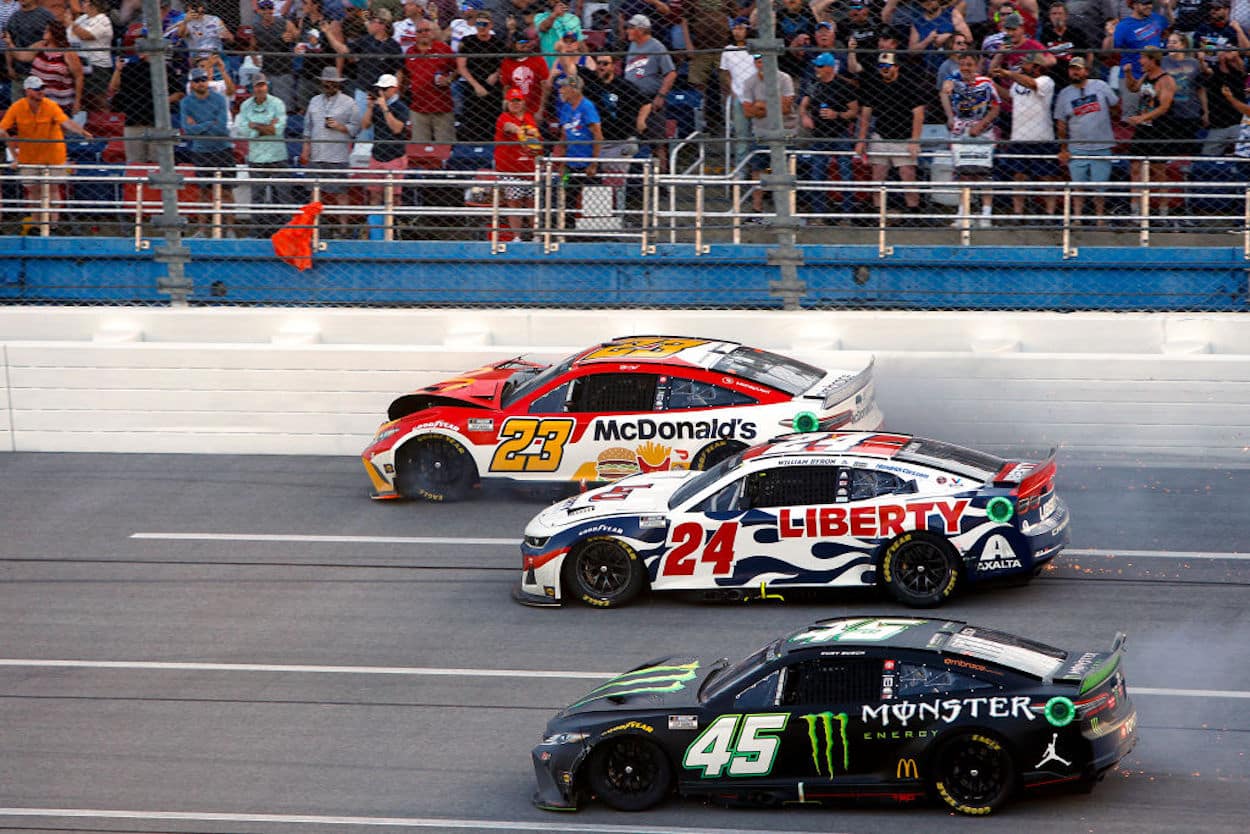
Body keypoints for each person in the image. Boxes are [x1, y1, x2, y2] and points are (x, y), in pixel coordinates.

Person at [0, 75, 92, 232]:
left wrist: (82, 132)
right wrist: (14, 155)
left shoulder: (51, 105)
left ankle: (53, 224)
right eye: (37, 89)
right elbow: (3, 129)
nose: (41, 91)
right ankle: (37, 224)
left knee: (52, 189)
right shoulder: (17, 107)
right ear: (27, 91)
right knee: (34, 190)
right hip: (30, 156)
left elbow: (66, 122)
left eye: (42, 88)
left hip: (53, 155)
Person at [855, 51, 926, 216]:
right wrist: (861, 140)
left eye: (888, 66)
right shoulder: (874, 86)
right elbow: (865, 114)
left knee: (908, 176)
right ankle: (878, 212)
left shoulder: (908, 85)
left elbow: (919, 113)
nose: (884, 69)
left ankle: (913, 213)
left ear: (896, 67)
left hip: (904, 137)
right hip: (881, 135)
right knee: (877, 176)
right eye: (881, 66)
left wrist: (915, 140)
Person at [993, 50, 1060, 221]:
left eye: (1026, 63)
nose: (1023, 65)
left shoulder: (1046, 81)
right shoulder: (1017, 83)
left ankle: (1049, 214)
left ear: (1037, 66)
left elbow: (1032, 84)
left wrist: (1009, 73)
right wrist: (991, 84)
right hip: (1019, 137)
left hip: (1041, 137)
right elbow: (1009, 97)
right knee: (1018, 176)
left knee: (1047, 177)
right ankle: (1018, 213)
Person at [1054, 56, 1119, 224]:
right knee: (1078, 186)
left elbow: (1115, 105)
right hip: (1077, 147)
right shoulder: (1065, 94)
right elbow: (1061, 123)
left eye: (1078, 68)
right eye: (1072, 69)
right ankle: (1077, 218)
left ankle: (1099, 218)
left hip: (1101, 145)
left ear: (1086, 71)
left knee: (1100, 186)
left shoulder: (1101, 86)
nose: (1075, 72)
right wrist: (1063, 148)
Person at [323, 7, 403, 140]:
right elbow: (343, 50)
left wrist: (394, 92)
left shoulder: (393, 46)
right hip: (363, 92)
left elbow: (399, 71)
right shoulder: (365, 40)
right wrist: (328, 33)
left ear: (382, 24)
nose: (369, 23)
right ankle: (363, 155)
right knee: (363, 130)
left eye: (372, 21)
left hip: (384, 94)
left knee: (383, 129)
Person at [798, 52, 858, 224]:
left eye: (820, 66)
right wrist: (805, 117)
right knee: (817, 175)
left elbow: (854, 111)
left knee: (845, 175)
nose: (816, 69)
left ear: (830, 68)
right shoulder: (814, 84)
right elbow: (803, 105)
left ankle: (847, 214)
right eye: (816, 66)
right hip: (819, 136)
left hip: (840, 134)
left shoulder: (843, 86)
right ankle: (819, 214)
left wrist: (836, 115)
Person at [942, 50, 1000, 227]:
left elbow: (995, 107)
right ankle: (963, 213)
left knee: (984, 175)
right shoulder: (954, 79)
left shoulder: (986, 83)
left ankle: (986, 214)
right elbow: (944, 91)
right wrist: (950, 117)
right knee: (963, 174)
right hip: (961, 131)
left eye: (969, 65)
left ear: (976, 66)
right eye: (962, 64)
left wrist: (980, 125)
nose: (965, 68)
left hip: (982, 131)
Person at [1125, 46, 1181, 223]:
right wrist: (1127, 74)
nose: (1140, 61)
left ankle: (1162, 211)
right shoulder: (1145, 76)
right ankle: (1136, 210)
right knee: (1135, 168)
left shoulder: (1166, 80)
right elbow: (1133, 88)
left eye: (1143, 58)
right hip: (1143, 129)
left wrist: (1142, 118)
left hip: (1159, 130)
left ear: (1152, 60)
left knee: (1159, 171)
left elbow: (1164, 107)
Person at [301, 65, 359, 232]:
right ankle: (313, 227)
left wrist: (341, 127)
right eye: (326, 83)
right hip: (317, 154)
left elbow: (356, 127)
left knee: (341, 193)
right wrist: (306, 149)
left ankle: (343, 228)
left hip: (338, 155)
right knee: (314, 192)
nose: (329, 86)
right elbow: (307, 128)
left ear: (338, 84)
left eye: (332, 83)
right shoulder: (314, 101)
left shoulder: (349, 102)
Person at [180, 65, 236, 235]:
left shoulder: (219, 99)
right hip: (201, 151)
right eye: (196, 81)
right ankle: (203, 229)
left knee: (226, 191)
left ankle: (230, 229)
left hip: (222, 149)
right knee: (203, 191)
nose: (200, 84)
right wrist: (209, 124)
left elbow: (221, 128)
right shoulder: (186, 102)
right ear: (191, 84)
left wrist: (198, 126)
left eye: (203, 80)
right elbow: (186, 130)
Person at [742, 52, 797, 218]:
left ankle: (786, 211)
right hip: (761, 132)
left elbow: (786, 109)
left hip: (785, 131)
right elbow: (748, 111)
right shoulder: (749, 82)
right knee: (758, 170)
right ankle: (757, 210)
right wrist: (772, 106)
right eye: (758, 61)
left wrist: (760, 105)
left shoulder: (784, 78)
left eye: (764, 61)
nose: (761, 64)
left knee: (784, 171)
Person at [235, 73, 290, 232]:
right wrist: (267, 127)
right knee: (257, 197)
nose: (260, 88)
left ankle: (286, 230)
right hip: (256, 157)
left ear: (267, 86)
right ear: (252, 88)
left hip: (278, 156)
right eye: (257, 85)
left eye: (262, 85)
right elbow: (244, 131)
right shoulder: (245, 105)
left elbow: (279, 129)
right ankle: (257, 231)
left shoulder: (277, 103)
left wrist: (256, 127)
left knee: (283, 197)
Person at [623, 15, 675, 171]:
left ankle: (661, 181)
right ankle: (635, 183)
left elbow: (671, 73)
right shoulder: (633, 45)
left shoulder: (656, 47)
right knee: (631, 141)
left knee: (657, 143)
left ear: (641, 30)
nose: (628, 31)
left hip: (650, 98)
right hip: (631, 100)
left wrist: (660, 96)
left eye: (631, 28)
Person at [493, 86, 542, 237]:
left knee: (532, 202)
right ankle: (517, 237)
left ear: (523, 102)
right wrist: (520, 131)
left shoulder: (529, 118)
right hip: (510, 169)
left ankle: (536, 236)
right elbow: (508, 127)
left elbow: (536, 142)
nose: (515, 103)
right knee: (514, 202)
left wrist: (534, 145)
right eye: (512, 101)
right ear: (507, 103)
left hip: (529, 169)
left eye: (518, 101)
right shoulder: (504, 117)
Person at [360, 72, 410, 209]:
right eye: (379, 89)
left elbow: (397, 129)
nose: (380, 92)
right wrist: (370, 107)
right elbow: (365, 125)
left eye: (384, 89)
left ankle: (394, 227)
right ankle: (375, 227)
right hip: (377, 155)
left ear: (394, 89)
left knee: (393, 197)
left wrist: (385, 108)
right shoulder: (376, 106)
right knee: (374, 195)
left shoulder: (401, 107)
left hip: (394, 156)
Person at [1111, 0, 1170, 118]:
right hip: (1131, 76)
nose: (1149, 6)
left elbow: (1169, 24)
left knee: (1151, 117)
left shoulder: (1155, 18)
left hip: (1153, 77)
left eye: (1150, 3)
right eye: (1144, 3)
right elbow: (1116, 50)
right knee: (1130, 118)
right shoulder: (1123, 26)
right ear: (1134, 5)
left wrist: (1167, 7)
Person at [11, 20, 83, 115]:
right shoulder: (40, 45)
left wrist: (77, 101)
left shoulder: (68, 53)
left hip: (59, 102)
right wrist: (10, 44)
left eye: (47, 30)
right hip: (38, 100)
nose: (44, 32)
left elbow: (79, 77)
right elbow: (22, 56)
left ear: (54, 33)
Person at [404, 16, 456, 141]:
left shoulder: (443, 49)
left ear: (432, 32)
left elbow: (458, 68)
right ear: (415, 34)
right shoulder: (410, 52)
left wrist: (449, 79)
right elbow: (405, 75)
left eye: (426, 30)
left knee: (445, 147)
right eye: (419, 31)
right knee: (420, 149)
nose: (423, 34)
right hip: (418, 108)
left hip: (441, 106)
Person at [458, 8, 503, 141]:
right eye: (478, 24)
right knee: (472, 121)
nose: (481, 27)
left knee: (492, 120)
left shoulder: (497, 42)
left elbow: (504, 62)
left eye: (484, 24)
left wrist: (496, 73)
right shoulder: (467, 41)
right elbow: (461, 66)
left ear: (490, 25)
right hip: (472, 85)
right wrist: (476, 85)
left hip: (493, 86)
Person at [719, 16, 756, 168]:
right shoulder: (728, 50)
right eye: (734, 28)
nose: (737, 32)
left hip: (757, 97)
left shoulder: (756, 48)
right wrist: (732, 88)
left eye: (740, 28)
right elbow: (724, 73)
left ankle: (760, 171)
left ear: (747, 29)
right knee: (742, 139)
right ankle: (741, 175)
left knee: (758, 137)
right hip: (739, 98)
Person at [1163, 31, 1205, 159]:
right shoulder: (1162, 61)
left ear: (1183, 45)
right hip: (1169, 113)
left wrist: (1206, 111)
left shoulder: (1194, 63)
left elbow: (1200, 88)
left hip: (1190, 111)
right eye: (1169, 42)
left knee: (1189, 147)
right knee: (1171, 148)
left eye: (1174, 42)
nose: (1170, 45)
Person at [65, 0, 112, 113]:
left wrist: (70, 23)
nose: (82, 4)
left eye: (85, 2)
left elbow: (86, 35)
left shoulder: (102, 19)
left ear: (94, 5)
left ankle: (105, 125)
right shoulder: (84, 18)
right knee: (84, 100)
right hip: (80, 64)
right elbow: (69, 34)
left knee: (98, 100)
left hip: (97, 66)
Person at [250, 1, 299, 109]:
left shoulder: (284, 23)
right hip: (267, 69)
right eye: (264, 9)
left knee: (284, 107)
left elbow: (298, 37)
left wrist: (291, 37)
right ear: (259, 11)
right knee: (267, 105)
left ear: (273, 10)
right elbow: (252, 46)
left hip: (283, 69)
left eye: (269, 8)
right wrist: (254, 58)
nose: (267, 11)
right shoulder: (257, 27)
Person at [1200, 45, 1247, 155]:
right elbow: (1206, 72)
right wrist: (1203, 60)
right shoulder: (1214, 72)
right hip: (1218, 123)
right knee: (1206, 156)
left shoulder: (1238, 72)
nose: (1224, 54)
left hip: (1238, 122)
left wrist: (1234, 57)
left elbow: (1243, 69)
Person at [4, 0, 55, 96]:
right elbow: (9, 42)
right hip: (19, 72)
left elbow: (55, 40)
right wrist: (9, 66)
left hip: (41, 73)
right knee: (18, 106)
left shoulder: (46, 16)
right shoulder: (14, 17)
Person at [1038, 1, 1093, 87]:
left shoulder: (1076, 32)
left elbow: (1089, 53)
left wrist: (1087, 71)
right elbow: (1041, 56)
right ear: (1050, 17)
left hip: (1076, 77)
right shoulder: (1045, 34)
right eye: (1054, 14)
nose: (1057, 17)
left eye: (1060, 13)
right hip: (1053, 79)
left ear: (1066, 16)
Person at [500, 27, 549, 121]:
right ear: (514, 45)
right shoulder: (507, 62)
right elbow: (506, 88)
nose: (525, 44)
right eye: (521, 42)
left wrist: (541, 109)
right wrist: (506, 108)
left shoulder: (538, 59)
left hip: (535, 107)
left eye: (527, 41)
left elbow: (545, 85)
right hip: (515, 109)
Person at [536, 0, 581, 68]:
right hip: (549, 63)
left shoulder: (574, 18)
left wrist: (586, 58)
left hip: (570, 65)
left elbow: (580, 41)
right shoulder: (540, 16)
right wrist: (555, 14)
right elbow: (543, 28)